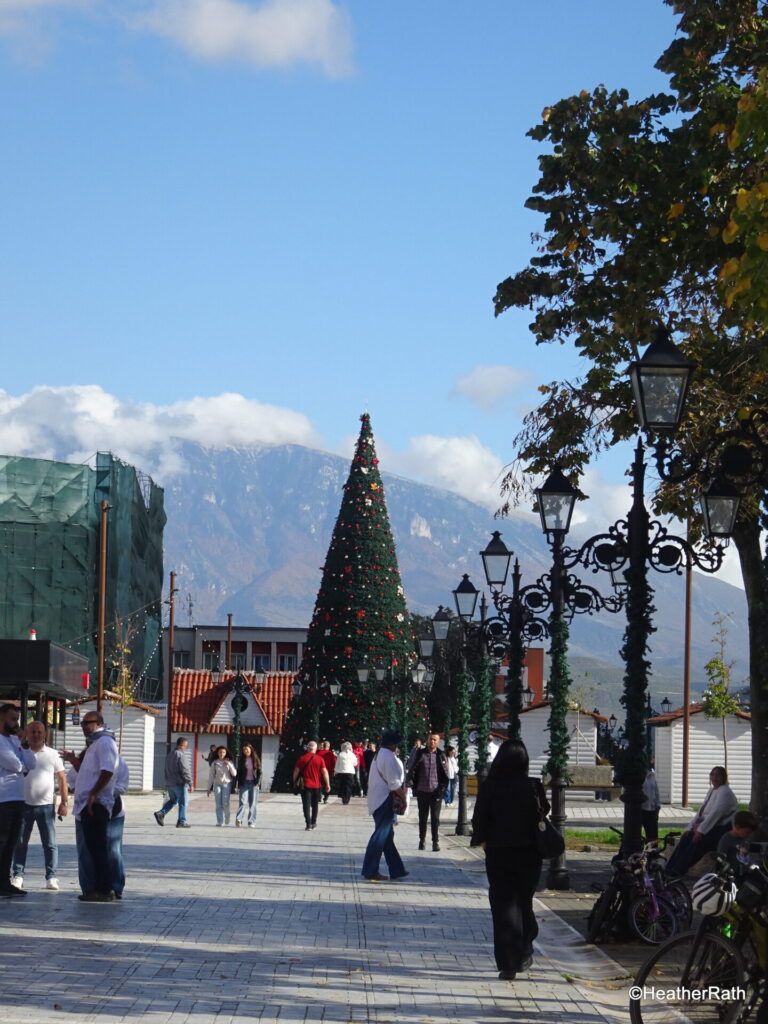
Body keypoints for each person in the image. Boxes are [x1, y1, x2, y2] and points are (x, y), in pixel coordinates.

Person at [470, 738, 547, 981]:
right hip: (529, 853)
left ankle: (508, 963)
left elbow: (479, 818)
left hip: (498, 852)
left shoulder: (490, 786)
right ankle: (525, 944)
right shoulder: (533, 786)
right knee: (524, 901)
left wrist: (484, 842)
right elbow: (543, 811)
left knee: (503, 906)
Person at [68, 711, 120, 902]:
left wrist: (93, 794)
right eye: (82, 723)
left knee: (99, 848)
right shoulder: (95, 743)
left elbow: (107, 771)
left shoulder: (105, 743)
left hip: (95, 804)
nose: (84, 726)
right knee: (93, 848)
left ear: (99, 723)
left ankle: (105, 889)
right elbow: (88, 773)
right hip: (86, 804)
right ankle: (98, 888)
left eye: (87, 723)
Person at [11, 720, 68, 891]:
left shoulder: (53, 754)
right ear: (27, 733)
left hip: (45, 806)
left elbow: (62, 778)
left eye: (39, 732)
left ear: (45, 734)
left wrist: (64, 802)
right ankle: (18, 876)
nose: (36, 735)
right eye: (33, 731)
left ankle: (52, 877)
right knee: (20, 843)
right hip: (23, 804)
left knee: (50, 843)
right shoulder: (19, 752)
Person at [666, 765, 739, 877]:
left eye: (718, 775)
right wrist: (690, 828)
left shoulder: (725, 791)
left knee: (697, 842)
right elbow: (701, 813)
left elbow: (715, 814)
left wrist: (700, 831)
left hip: (721, 830)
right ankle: (669, 868)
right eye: (712, 774)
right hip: (709, 826)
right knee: (686, 837)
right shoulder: (712, 791)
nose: (714, 777)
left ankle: (678, 870)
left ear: (723, 777)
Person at [361, 728, 408, 882]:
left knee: (387, 837)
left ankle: (397, 869)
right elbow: (394, 784)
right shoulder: (390, 758)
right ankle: (370, 870)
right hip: (385, 800)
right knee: (380, 836)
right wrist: (404, 799)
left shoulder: (379, 755)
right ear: (394, 744)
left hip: (376, 800)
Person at [0, 704, 35, 897]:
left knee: (12, 842)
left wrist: (26, 745)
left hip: (18, 797)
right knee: (2, 841)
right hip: (3, 799)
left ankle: (4, 882)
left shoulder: (15, 740)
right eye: (12, 719)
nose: (16, 724)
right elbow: (14, 764)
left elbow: (31, 764)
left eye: (17, 720)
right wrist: (22, 766)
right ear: (1, 719)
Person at [406, 732, 448, 852]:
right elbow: (413, 768)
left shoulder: (441, 755)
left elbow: (445, 774)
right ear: (427, 741)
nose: (432, 742)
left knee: (435, 818)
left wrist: (442, 789)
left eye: (435, 740)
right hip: (422, 790)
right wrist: (411, 784)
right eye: (430, 739)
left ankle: (435, 842)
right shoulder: (420, 753)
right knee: (422, 817)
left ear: (438, 742)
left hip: (436, 792)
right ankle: (422, 840)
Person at [155, 737, 193, 828]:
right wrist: (190, 783)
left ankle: (161, 813)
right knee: (183, 803)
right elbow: (185, 770)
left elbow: (166, 769)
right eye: (185, 746)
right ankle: (182, 821)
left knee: (173, 800)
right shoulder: (181, 755)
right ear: (182, 746)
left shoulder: (170, 755)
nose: (186, 748)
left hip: (170, 783)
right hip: (180, 783)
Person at [292, 741, 330, 830]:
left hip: (305, 785)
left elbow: (296, 771)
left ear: (308, 748)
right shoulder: (320, 759)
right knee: (315, 805)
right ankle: (314, 822)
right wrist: (328, 784)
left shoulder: (302, 758)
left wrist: (294, 782)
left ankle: (308, 823)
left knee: (306, 805)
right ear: (315, 749)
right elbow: (324, 772)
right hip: (317, 786)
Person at [716, 809, 758, 880]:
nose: (749, 835)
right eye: (747, 832)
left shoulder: (745, 839)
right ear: (738, 827)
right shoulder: (727, 839)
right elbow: (720, 858)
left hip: (743, 874)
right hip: (729, 875)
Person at [207, 746, 236, 826]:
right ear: (217, 753)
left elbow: (234, 773)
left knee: (225, 803)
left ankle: (227, 817)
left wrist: (229, 764)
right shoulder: (215, 763)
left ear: (226, 753)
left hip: (227, 784)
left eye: (223, 752)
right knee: (218, 804)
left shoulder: (229, 762)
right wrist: (209, 788)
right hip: (217, 785)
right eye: (220, 752)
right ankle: (220, 821)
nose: (221, 754)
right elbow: (211, 776)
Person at [235, 743, 261, 827]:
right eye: (244, 750)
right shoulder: (241, 760)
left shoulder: (255, 759)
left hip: (254, 783)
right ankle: (239, 819)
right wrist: (237, 784)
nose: (245, 751)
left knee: (252, 804)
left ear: (251, 749)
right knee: (242, 802)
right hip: (244, 783)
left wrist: (258, 781)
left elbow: (260, 771)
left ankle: (251, 822)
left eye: (247, 749)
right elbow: (238, 773)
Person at [641, 759, 660, 842]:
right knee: (635, 834)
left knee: (652, 836)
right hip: (640, 809)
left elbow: (656, 792)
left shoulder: (652, 775)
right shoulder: (637, 776)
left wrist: (658, 806)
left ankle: (652, 852)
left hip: (652, 809)